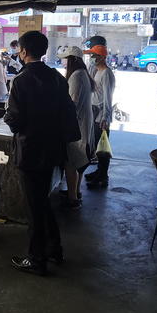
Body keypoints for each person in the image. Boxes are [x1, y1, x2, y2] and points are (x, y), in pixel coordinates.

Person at [4, 31, 79, 276]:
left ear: (23, 51)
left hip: (29, 150)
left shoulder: (21, 80)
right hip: (52, 149)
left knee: (33, 207)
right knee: (43, 200)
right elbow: (67, 111)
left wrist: (8, 115)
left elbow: (14, 121)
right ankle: (54, 249)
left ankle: (37, 260)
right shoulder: (56, 77)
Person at [57, 45, 95, 209]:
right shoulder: (83, 74)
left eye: (66, 58)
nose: (64, 61)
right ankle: (76, 192)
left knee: (70, 162)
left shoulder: (76, 76)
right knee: (79, 161)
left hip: (76, 126)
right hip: (84, 123)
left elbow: (72, 102)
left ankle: (72, 199)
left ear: (75, 59)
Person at [83, 43, 116, 189]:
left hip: (101, 114)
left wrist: (105, 118)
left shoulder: (107, 73)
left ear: (101, 57)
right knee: (97, 145)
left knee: (102, 148)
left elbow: (108, 97)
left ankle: (103, 177)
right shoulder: (97, 71)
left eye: (94, 55)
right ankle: (99, 172)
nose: (91, 58)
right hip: (95, 112)